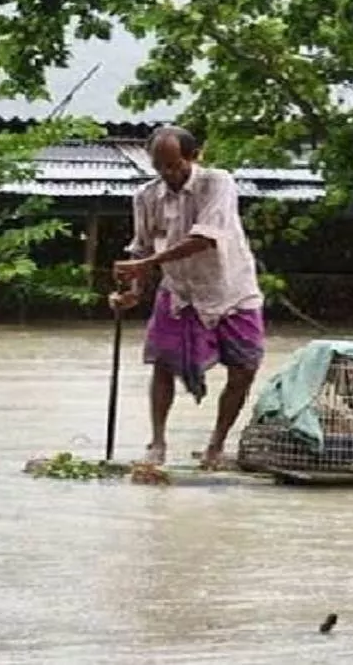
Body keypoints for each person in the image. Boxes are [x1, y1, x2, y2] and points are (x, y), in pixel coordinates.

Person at [110, 126, 265, 469]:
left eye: (174, 166)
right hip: (180, 292)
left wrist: (146, 264)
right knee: (163, 365)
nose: (168, 174)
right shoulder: (146, 197)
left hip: (231, 289)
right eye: (159, 167)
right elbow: (143, 246)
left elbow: (205, 237)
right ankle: (157, 442)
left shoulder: (217, 183)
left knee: (244, 369)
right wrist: (133, 292)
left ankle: (216, 445)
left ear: (194, 157)